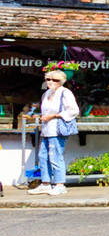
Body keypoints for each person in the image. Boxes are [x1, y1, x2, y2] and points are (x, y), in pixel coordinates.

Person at [30, 68, 78, 196]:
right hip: (46, 130)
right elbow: (45, 111)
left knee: (56, 156)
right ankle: (45, 183)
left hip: (57, 130)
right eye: (48, 79)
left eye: (55, 80)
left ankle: (60, 184)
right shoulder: (46, 94)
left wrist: (53, 116)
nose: (51, 82)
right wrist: (40, 116)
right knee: (43, 156)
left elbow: (73, 110)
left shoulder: (65, 93)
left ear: (61, 81)